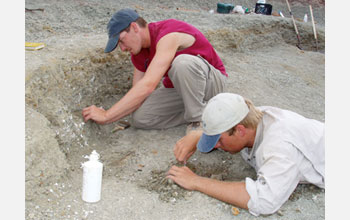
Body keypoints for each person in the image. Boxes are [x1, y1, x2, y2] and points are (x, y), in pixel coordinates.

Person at [167, 93, 324, 216]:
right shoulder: (253, 117)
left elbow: (265, 201)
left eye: (219, 140)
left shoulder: (279, 146)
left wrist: (196, 181)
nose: (216, 146)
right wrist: (198, 135)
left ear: (240, 130)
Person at [82, 8, 227, 131]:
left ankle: (197, 121)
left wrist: (107, 116)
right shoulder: (138, 53)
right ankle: (208, 109)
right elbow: (138, 92)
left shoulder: (168, 34)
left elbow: (148, 85)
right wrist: (113, 113)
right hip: (182, 91)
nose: (123, 48)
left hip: (211, 83)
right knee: (141, 117)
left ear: (134, 27)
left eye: (121, 41)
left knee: (182, 64)